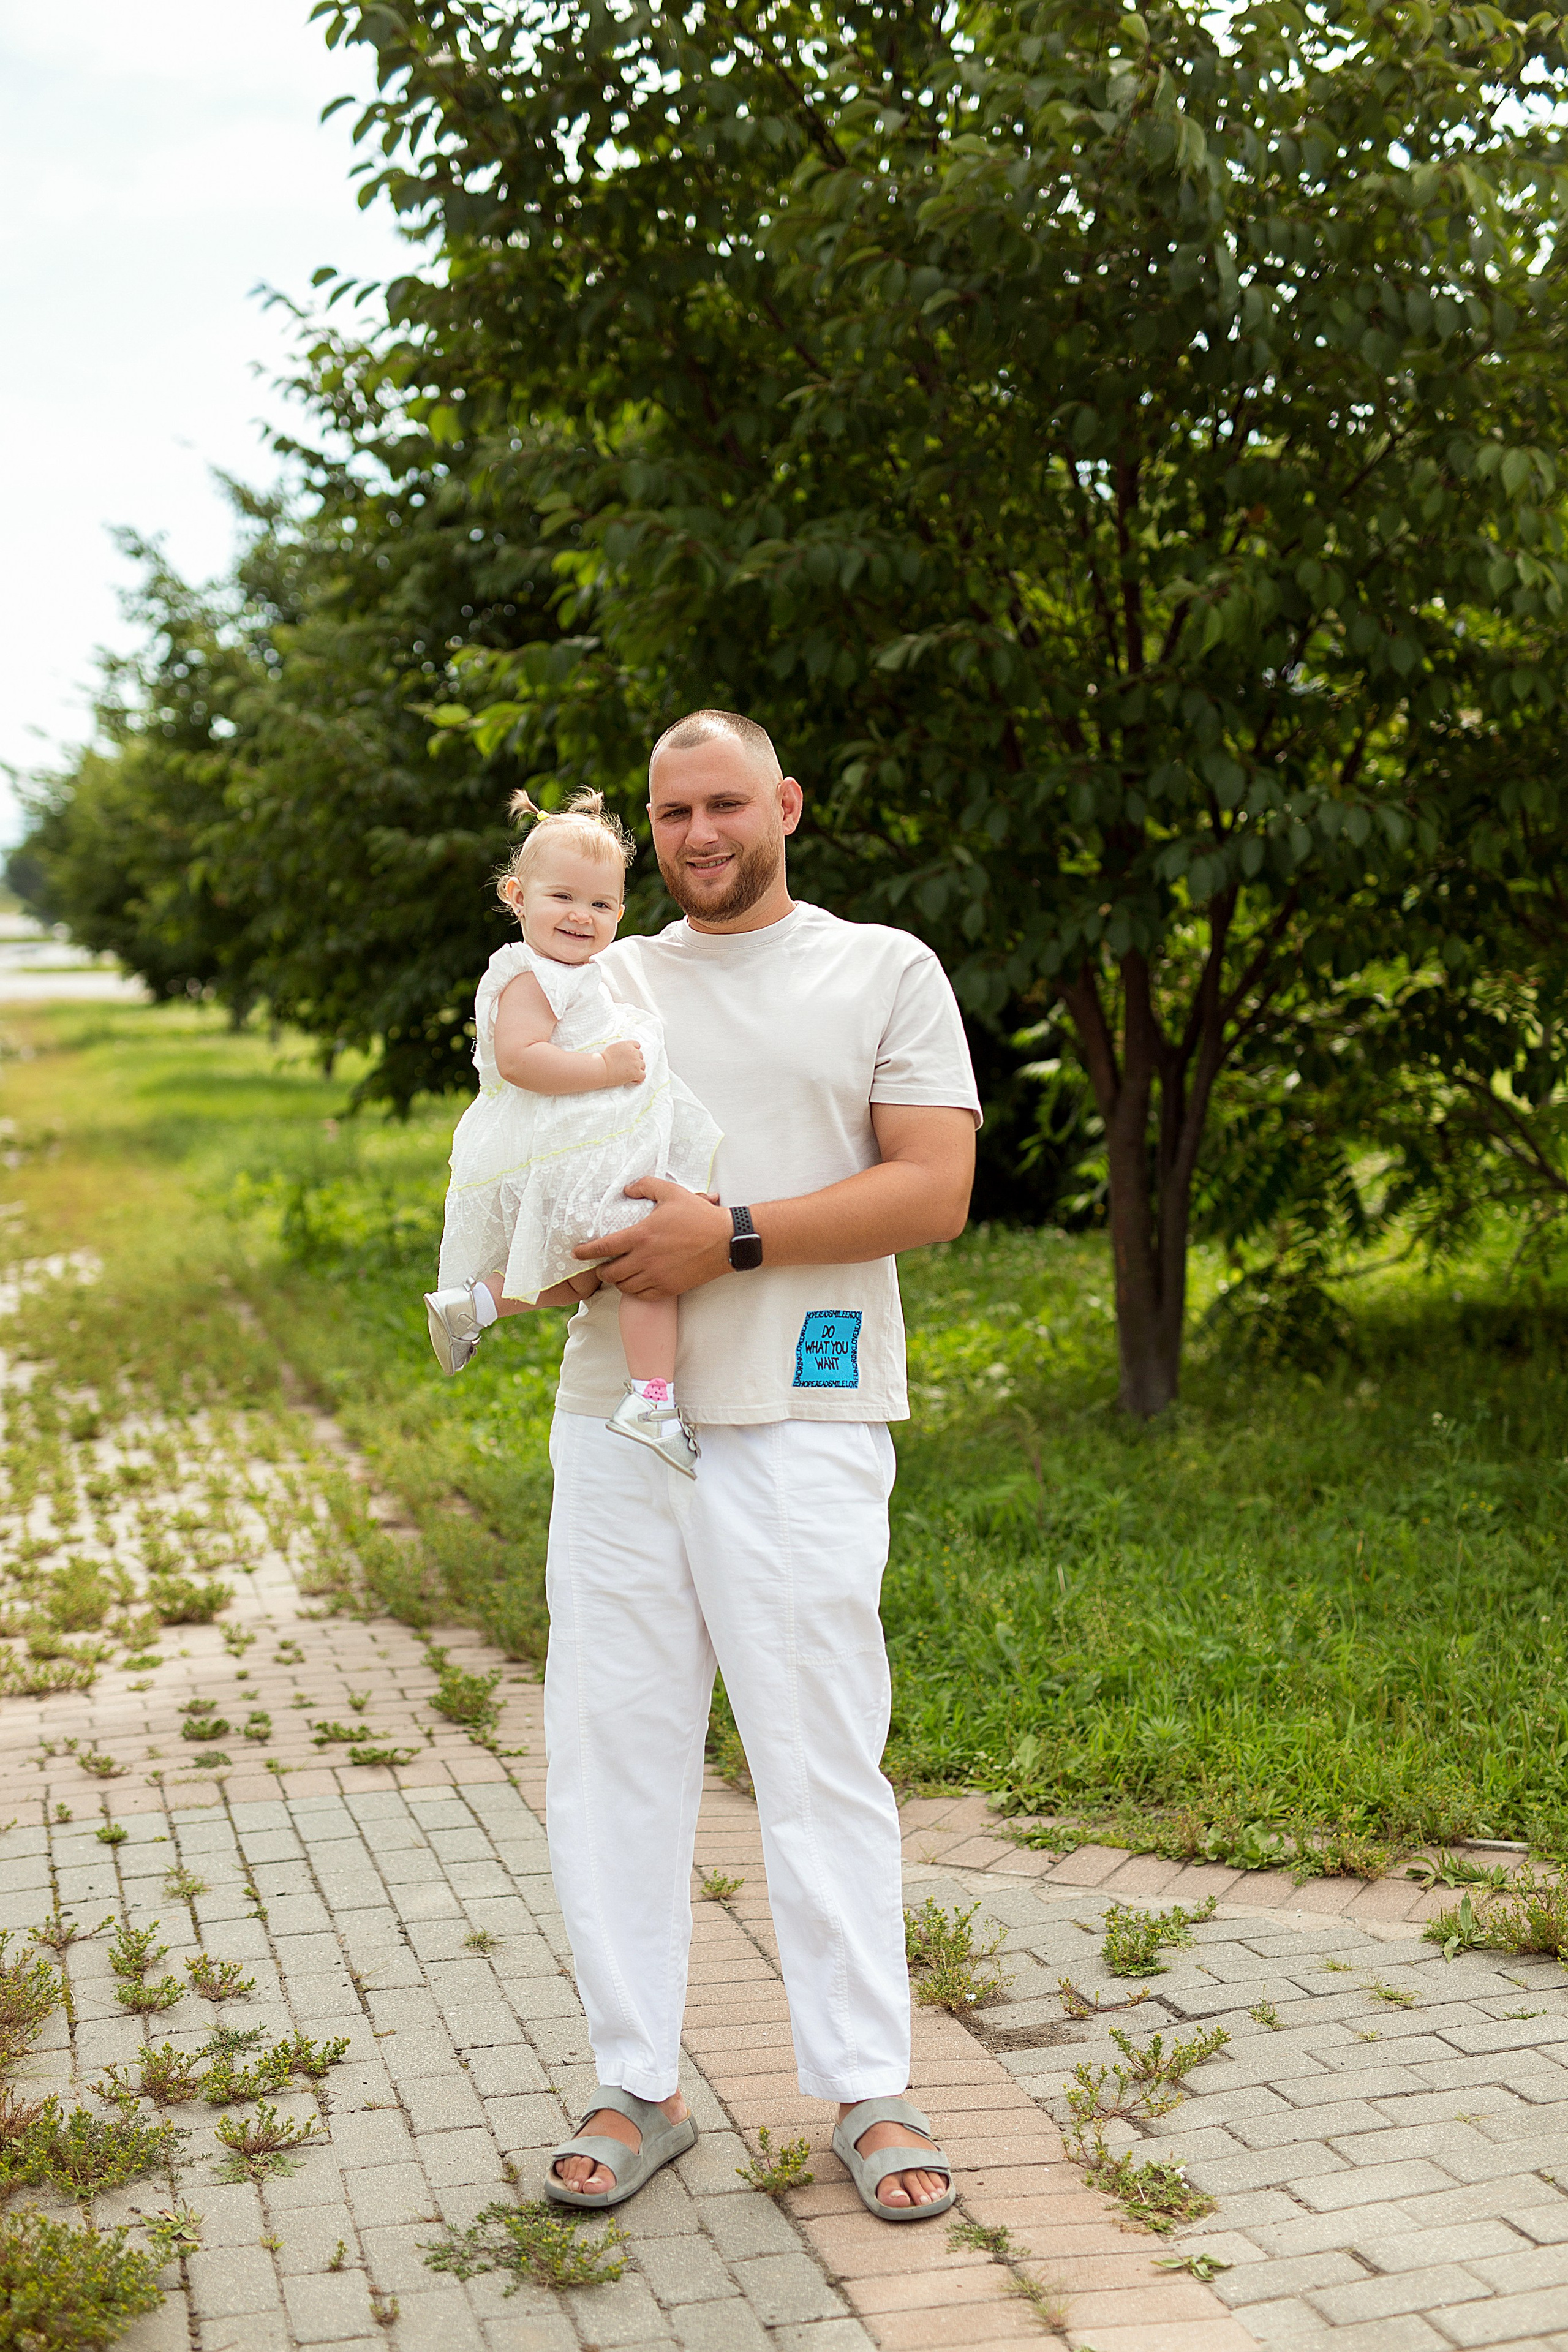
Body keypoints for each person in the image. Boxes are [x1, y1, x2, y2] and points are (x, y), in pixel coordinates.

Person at [538, 710, 980, 2221]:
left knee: (814, 1747)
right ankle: (635, 2080)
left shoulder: (879, 967)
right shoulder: (603, 975)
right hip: (616, 1413)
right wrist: (546, 1247)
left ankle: (867, 2087)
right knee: (611, 1750)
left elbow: (932, 1186)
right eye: (670, 813)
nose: (697, 835)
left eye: (724, 803)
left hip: (803, 1411)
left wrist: (721, 1234)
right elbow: (541, 1154)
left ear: (785, 801)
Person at [423, 789, 722, 1477]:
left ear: (619, 912)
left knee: (590, 1277)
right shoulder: (530, 976)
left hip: (574, 1150)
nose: (580, 918)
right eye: (562, 898)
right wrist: (606, 1067)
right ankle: (650, 1399)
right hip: (565, 1153)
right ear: (517, 896)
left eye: (599, 905)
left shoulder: (572, 973)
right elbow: (520, 1061)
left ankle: (475, 1303)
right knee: (651, 1266)